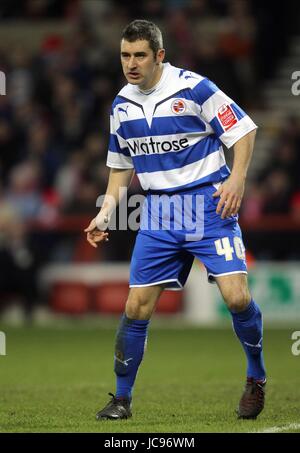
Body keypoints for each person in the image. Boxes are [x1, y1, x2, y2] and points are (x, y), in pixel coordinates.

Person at [84, 19, 266, 421]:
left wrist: (236, 180)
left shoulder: (194, 88)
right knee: (135, 308)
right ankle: (121, 398)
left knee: (236, 298)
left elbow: (244, 130)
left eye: (139, 55)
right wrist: (105, 213)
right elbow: (120, 169)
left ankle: (256, 378)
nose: (131, 64)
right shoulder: (121, 105)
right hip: (159, 213)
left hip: (209, 204)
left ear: (159, 55)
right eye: (124, 55)